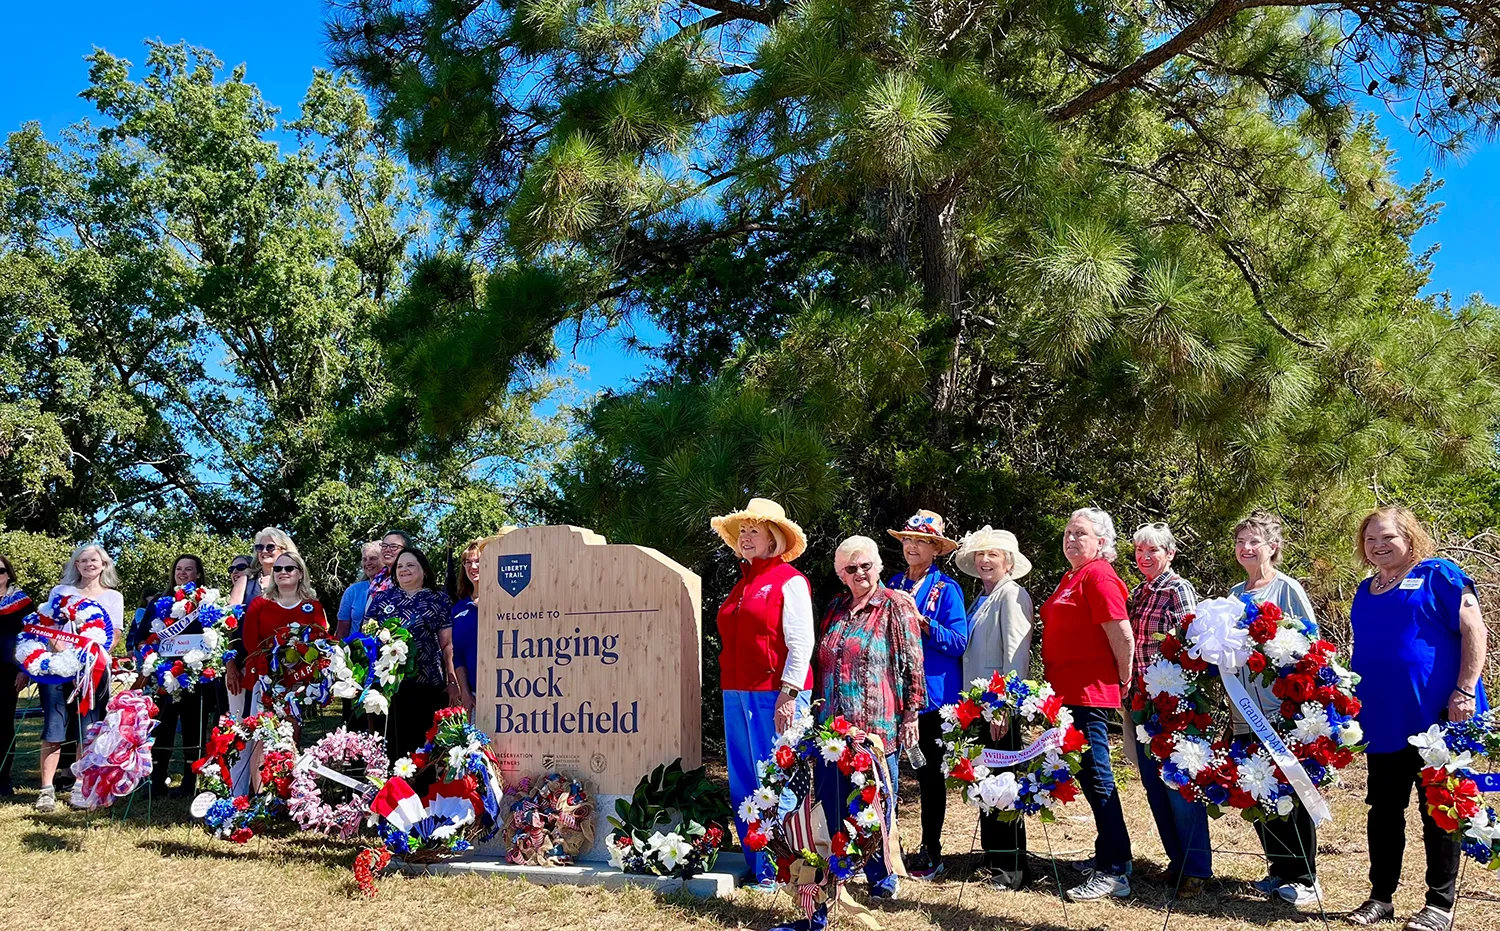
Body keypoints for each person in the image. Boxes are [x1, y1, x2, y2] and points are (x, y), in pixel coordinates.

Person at [1345, 507, 1489, 931]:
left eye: (1387, 536)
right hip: (1384, 719)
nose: (1378, 545)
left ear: (1409, 536)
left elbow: (1474, 630)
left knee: (1440, 810)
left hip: (1438, 718)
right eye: (1370, 539)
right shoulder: (1365, 588)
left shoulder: (1439, 575)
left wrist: (1464, 690)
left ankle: (1439, 905)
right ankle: (1380, 897)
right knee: (1383, 810)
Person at [710, 498, 814, 892]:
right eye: (744, 532)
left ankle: (784, 866)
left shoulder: (790, 580)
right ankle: (759, 864)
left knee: (777, 778)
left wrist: (789, 691)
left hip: (777, 693)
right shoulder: (742, 582)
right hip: (736, 692)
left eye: (756, 531)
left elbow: (801, 641)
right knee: (743, 780)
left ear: (773, 539)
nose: (747, 537)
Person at [816, 535, 925, 901]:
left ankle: (882, 877)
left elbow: (912, 662)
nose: (859, 572)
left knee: (875, 805)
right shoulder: (833, 607)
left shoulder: (895, 605)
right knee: (832, 801)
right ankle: (841, 869)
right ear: (841, 574)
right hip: (833, 729)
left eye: (865, 565)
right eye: (851, 567)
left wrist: (911, 713)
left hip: (877, 728)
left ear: (877, 566)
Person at [1229, 510, 1323, 907]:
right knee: (1258, 786)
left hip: (1281, 708)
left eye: (1255, 542)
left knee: (1291, 789)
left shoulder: (1286, 589)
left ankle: (1304, 876)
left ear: (1273, 547)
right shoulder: (1234, 593)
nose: (1246, 549)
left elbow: (1311, 644)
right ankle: (1277, 868)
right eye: (1240, 542)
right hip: (1242, 707)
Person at [1040, 508, 1134, 901]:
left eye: (1082, 533)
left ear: (1102, 543)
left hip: (1090, 693)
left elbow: (1122, 634)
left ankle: (1115, 873)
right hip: (1067, 694)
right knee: (1088, 777)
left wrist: (1124, 680)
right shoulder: (1072, 576)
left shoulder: (1098, 575)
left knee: (1097, 778)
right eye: (1068, 532)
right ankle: (1112, 855)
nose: (1072, 538)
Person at [1126, 522, 1212, 897]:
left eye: (1153, 551)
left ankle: (1196, 869)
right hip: (1141, 704)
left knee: (1180, 786)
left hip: (1174, 705)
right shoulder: (1138, 593)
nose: (1145, 558)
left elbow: (1193, 647)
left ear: (1170, 553)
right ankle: (1176, 862)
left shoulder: (1178, 590)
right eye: (1140, 552)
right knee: (1153, 786)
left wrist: (1178, 696)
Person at [886, 511, 968, 881]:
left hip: (933, 697)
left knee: (929, 775)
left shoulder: (947, 589)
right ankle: (886, 848)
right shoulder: (891, 583)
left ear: (935, 548)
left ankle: (931, 849)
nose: (912, 546)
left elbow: (959, 642)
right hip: (895, 693)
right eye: (907, 539)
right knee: (889, 772)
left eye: (920, 541)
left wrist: (925, 624)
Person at [954, 526, 1035, 890]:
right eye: (980, 555)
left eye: (994, 555)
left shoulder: (1012, 595)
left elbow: (1015, 656)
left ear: (1008, 562)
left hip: (999, 708)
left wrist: (1003, 706)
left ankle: (1012, 867)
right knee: (986, 780)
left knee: (1005, 783)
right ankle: (994, 855)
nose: (985, 561)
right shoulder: (982, 598)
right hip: (978, 707)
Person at [32, 543, 126, 812]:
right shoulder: (61, 592)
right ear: (76, 565)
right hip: (59, 668)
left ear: (104, 565)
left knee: (89, 730)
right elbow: (47, 624)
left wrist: (91, 655)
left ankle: (80, 786)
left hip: (93, 671)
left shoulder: (113, 597)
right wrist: (60, 647)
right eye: (83, 560)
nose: (89, 564)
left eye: (94, 560)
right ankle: (46, 790)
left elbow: (115, 634)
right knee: (53, 728)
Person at [368, 546, 459, 757]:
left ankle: (420, 789)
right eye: (400, 566)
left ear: (424, 571)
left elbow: (447, 645)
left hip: (426, 684)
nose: (404, 570)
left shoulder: (439, 600)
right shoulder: (381, 600)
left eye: (410, 565)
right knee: (390, 748)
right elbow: (367, 638)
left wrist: (452, 681)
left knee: (422, 750)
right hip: (388, 687)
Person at [141, 554, 213, 798]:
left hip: (194, 676)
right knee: (161, 728)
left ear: (198, 574)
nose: (182, 573)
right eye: (179, 569)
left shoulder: (205, 602)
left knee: (194, 730)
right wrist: (151, 658)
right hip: (163, 676)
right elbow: (142, 638)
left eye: (189, 569)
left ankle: (191, 783)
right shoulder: (159, 601)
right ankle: (156, 781)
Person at [239, 550, 328, 729]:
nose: (282, 572)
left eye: (289, 568)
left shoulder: (313, 606)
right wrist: (272, 668)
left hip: (299, 679)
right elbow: (250, 641)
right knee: (263, 732)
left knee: (290, 730)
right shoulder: (259, 604)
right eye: (278, 569)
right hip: (265, 677)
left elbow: (321, 640)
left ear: (300, 573)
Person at [225, 527, 299, 712]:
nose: (263, 551)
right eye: (259, 547)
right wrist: (230, 665)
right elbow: (227, 625)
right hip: (244, 665)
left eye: (269, 547)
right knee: (242, 725)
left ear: (284, 549)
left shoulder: (295, 582)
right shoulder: (246, 581)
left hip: (286, 666)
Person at [0, 555, 35, 796]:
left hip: (7, 672)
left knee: (2, 725)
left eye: (0, 571)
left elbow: (31, 638)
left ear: (9, 573)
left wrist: (25, 670)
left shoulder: (23, 604)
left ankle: (2, 778)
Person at [450, 538, 487, 714]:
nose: (473, 567)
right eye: (468, 562)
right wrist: (464, 691)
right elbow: (458, 656)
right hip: (473, 695)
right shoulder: (458, 609)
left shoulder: (505, 603)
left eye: (479, 562)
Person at [335, 542, 384, 641]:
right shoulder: (353, 591)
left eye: (373, 558)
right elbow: (342, 631)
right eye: (364, 559)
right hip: (356, 651)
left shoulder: (394, 589)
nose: (368, 563)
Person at [365, 530, 411, 610]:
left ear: (406, 551)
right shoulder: (378, 579)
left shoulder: (410, 579)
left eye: (393, 546)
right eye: (384, 546)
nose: (387, 550)